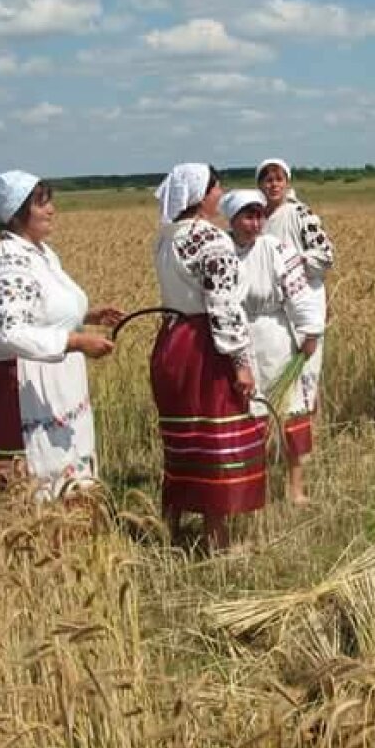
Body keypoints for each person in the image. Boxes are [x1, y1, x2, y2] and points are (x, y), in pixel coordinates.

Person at [0, 171, 122, 500]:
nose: (52, 210)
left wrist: (86, 316)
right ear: (15, 212)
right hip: (20, 387)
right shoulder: (10, 262)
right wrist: (76, 341)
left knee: (66, 477)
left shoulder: (41, 253)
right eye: (41, 203)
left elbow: (40, 309)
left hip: (53, 382)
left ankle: (70, 543)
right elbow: (9, 330)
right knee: (33, 483)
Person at [150, 163, 264, 550]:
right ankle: (218, 540)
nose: (221, 193)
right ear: (201, 194)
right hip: (205, 346)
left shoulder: (166, 239)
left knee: (182, 438)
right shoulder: (211, 241)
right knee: (215, 437)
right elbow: (224, 307)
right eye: (217, 187)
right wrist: (242, 363)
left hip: (171, 340)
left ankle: (171, 528)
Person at [221, 188, 324, 504]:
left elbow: (299, 291)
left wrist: (310, 332)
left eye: (259, 216)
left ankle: (295, 488)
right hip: (239, 341)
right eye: (248, 217)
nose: (255, 224)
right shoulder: (220, 249)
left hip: (277, 338)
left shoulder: (276, 248)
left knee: (290, 414)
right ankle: (253, 487)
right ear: (233, 219)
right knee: (248, 416)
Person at [256, 158, 334, 419]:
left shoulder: (300, 213)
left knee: (307, 370)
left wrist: (297, 261)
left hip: (304, 302)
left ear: (287, 182)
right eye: (268, 180)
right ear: (260, 184)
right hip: (275, 307)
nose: (274, 184)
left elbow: (325, 255)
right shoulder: (257, 217)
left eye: (278, 179)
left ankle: (310, 433)